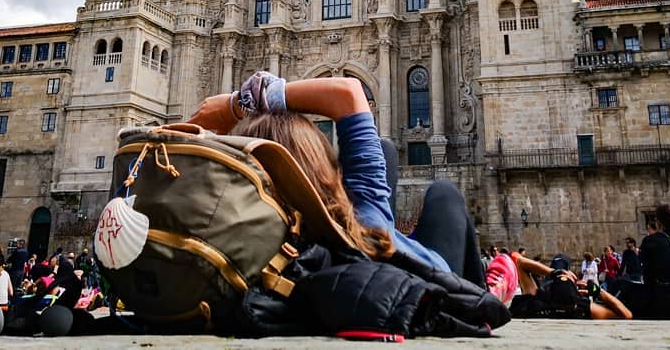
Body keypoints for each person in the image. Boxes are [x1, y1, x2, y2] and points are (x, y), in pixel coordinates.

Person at [187, 74, 498, 296]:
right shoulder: (365, 219)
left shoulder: (242, 247)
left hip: (337, 263)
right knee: (443, 193)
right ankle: (478, 295)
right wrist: (241, 102)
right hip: (418, 272)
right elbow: (349, 93)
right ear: (323, 165)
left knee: (385, 151)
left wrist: (231, 127)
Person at [508, 252, 631, 320]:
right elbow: (626, 315)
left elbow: (519, 261)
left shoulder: (535, 301)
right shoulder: (581, 308)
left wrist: (553, 272)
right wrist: (598, 291)